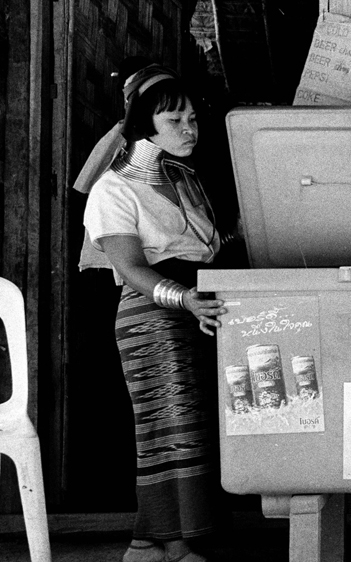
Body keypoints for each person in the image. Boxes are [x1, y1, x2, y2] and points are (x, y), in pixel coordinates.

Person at [82, 64, 229, 562]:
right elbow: (130, 267)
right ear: (145, 125)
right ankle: (170, 544)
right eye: (176, 121)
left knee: (192, 427)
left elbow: (202, 248)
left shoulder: (185, 181)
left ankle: (152, 543)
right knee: (168, 431)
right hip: (152, 318)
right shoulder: (114, 190)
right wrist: (183, 299)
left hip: (195, 312)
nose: (190, 130)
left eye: (192, 119)